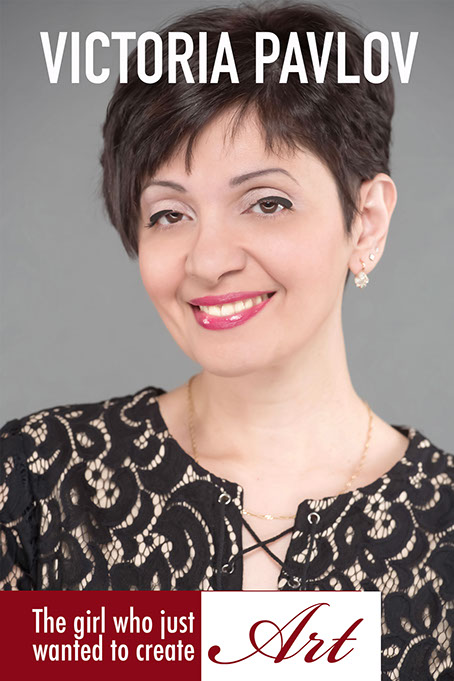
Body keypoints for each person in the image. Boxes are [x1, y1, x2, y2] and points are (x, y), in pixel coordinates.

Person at [1, 2, 453, 678]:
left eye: (267, 202)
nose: (208, 260)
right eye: (169, 213)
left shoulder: (444, 527)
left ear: (365, 221)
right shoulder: (40, 481)